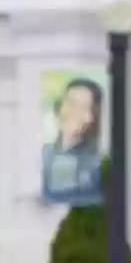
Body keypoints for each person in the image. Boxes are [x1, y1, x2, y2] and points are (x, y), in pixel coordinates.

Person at [40, 76, 104, 206]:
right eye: (70, 103)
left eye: (82, 107)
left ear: (92, 116)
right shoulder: (43, 153)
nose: (72, 112)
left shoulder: (98, 162)